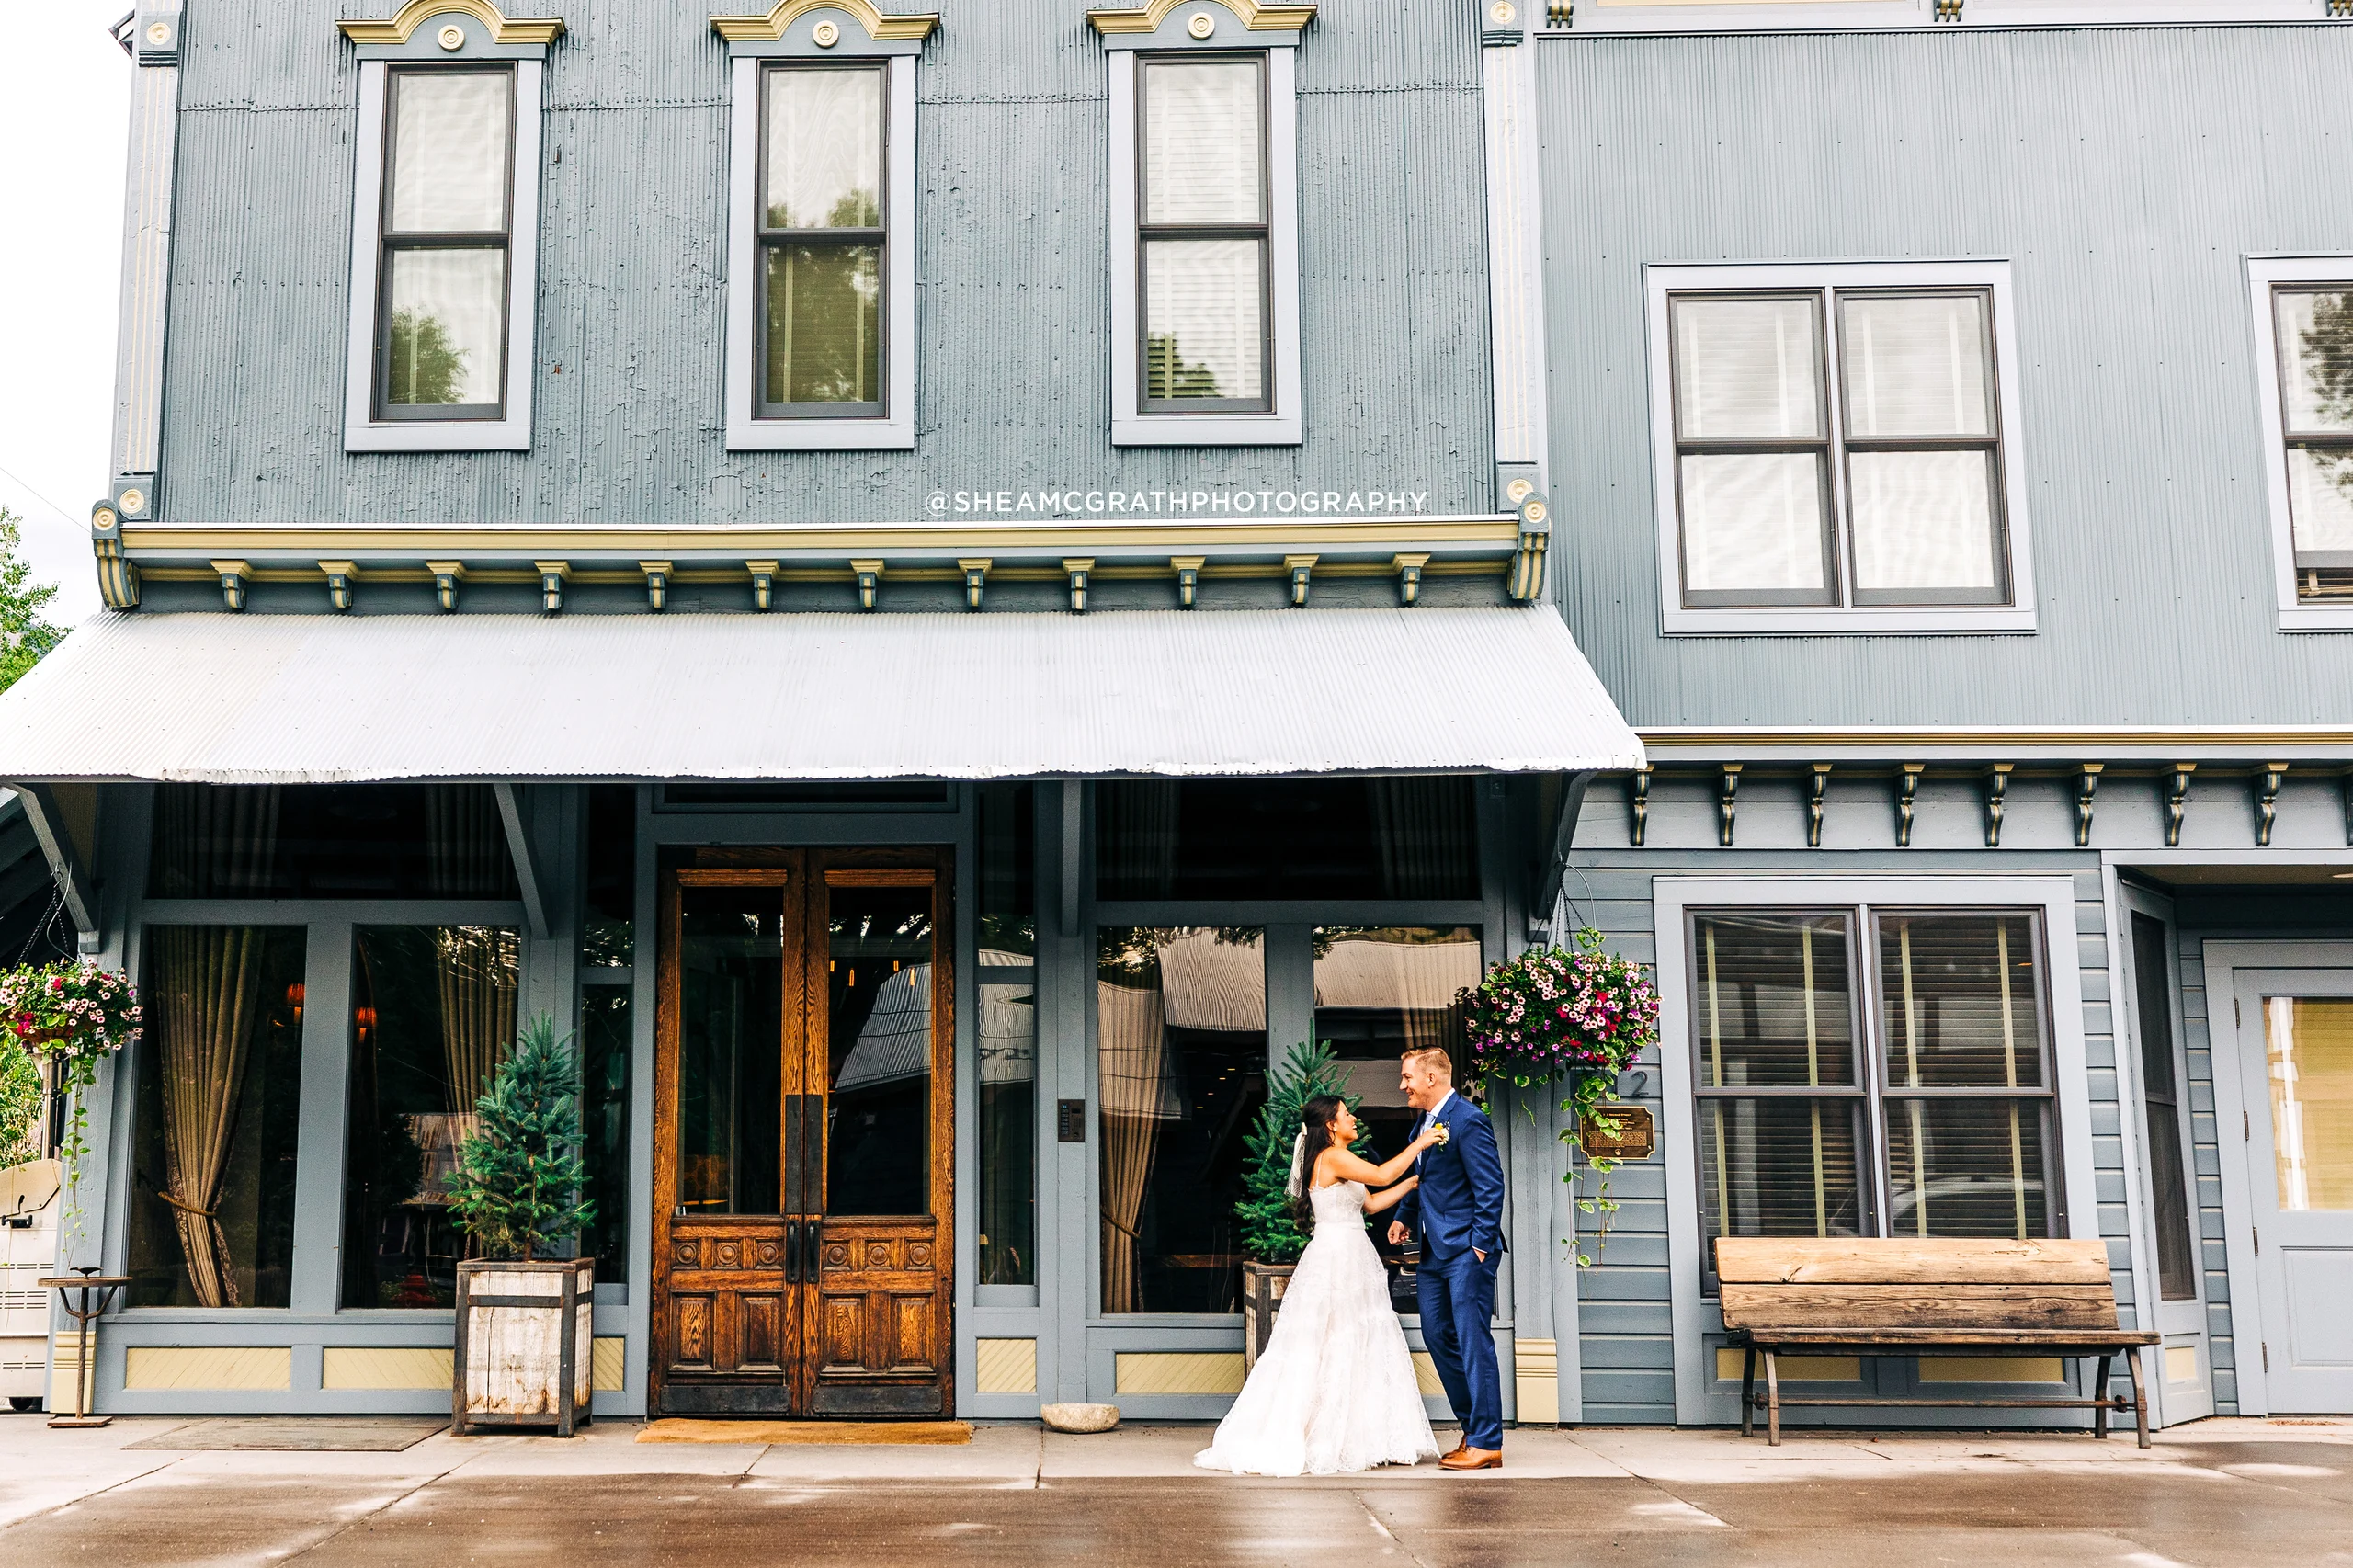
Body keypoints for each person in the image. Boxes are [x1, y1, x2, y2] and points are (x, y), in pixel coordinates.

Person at [1193, 1094, 1444, 1477]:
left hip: (1353, 1254)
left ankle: (1364, 1438)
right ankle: (1326, 1437)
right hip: (1337, 1258)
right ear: (1331, 1125)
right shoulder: (1332, 1157)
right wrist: (1421, 1143)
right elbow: (1380, 1175)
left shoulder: (1339, 1158)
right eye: (1346, 1114)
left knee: (1355, 1339)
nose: (1353, 1118)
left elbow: (1371, 1203)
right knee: (1335, 1340)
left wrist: (1412, 1184)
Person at [1388, 1046, 1507, 1471]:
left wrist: (1479, 1246)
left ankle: (1487, 1441)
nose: (1402, 1085)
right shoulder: (1423, 1124)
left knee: (1473, 1341)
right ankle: (1472, 1430)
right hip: (1433, 1251)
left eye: (1407, 1077)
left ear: (1431, 1078)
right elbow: (1424, 1179)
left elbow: (1491, 1186)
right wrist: (1404, 1216)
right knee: (1437, 1336)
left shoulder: (1468, 1120)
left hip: (1466, 1252)